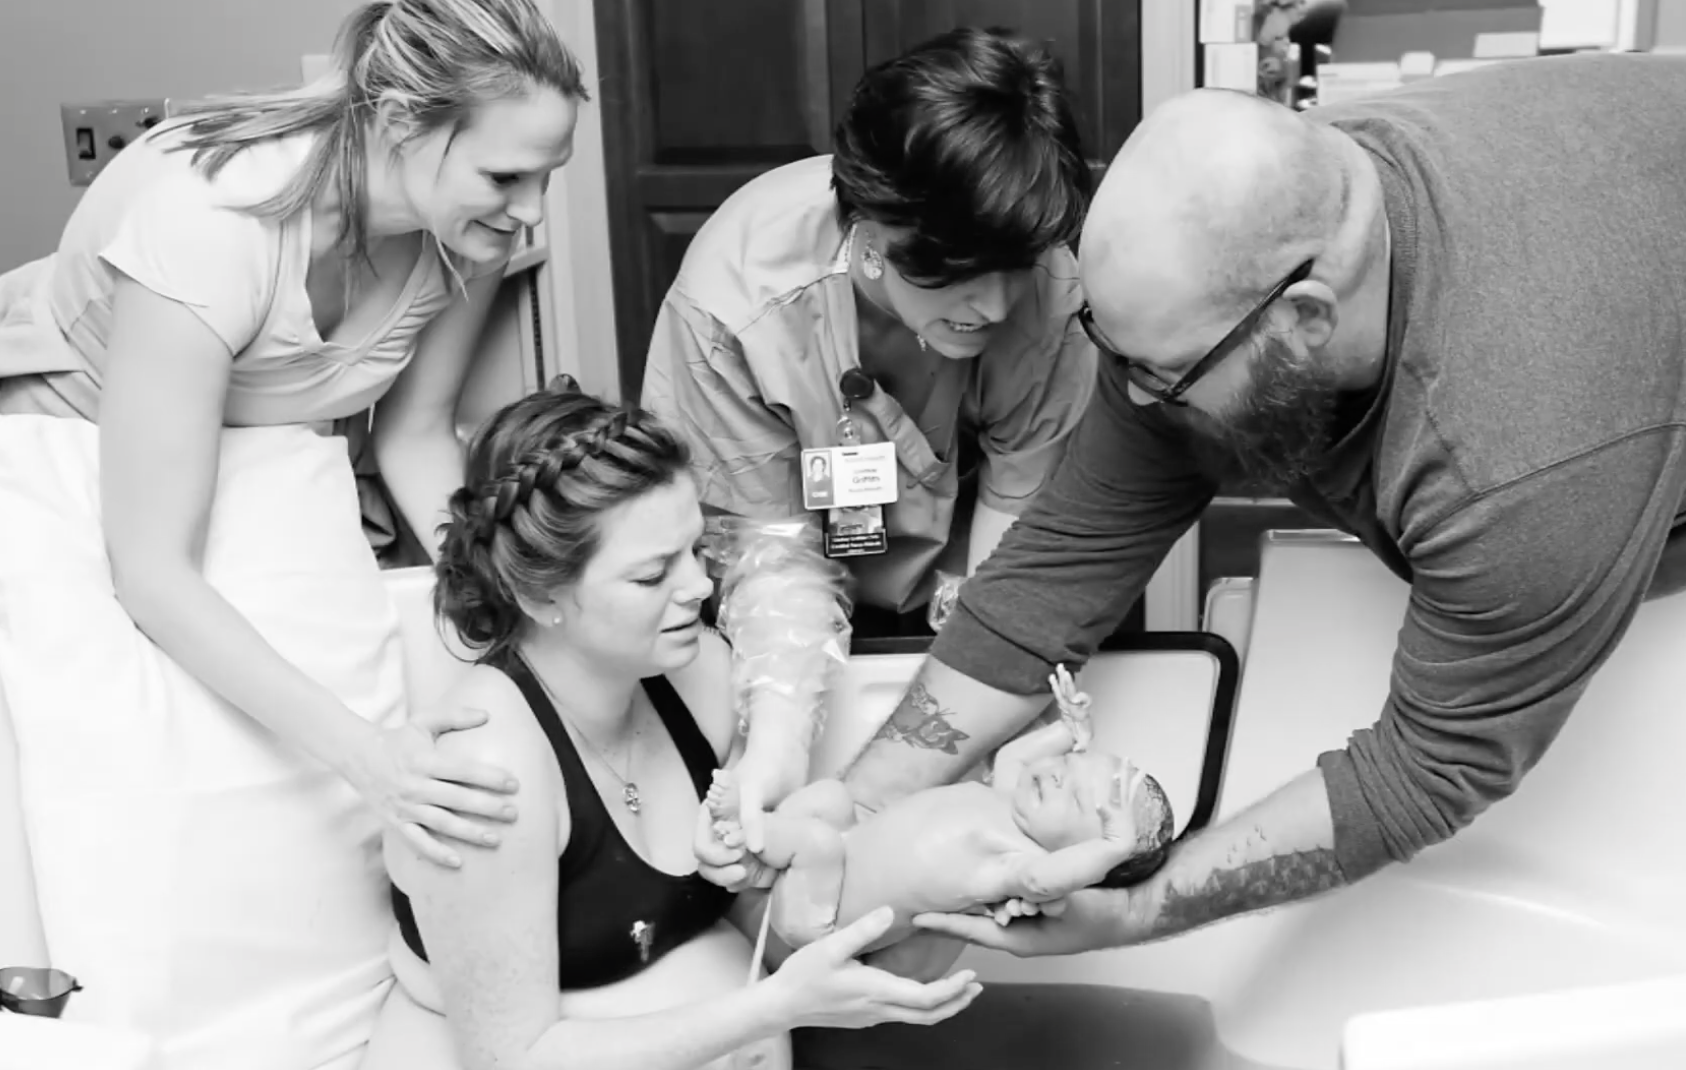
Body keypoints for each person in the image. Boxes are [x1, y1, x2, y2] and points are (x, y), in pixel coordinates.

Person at [707, 53, 1686, 961]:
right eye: (1102, 347)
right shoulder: (1247, 229)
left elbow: (1429, 764)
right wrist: (857, 810)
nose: (1124, 398)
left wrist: (1138, 906)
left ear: (1300, 319)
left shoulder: (1524, 448)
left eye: (1156, 376)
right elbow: (1061, 562)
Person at [0, 0, 584, 1061]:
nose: (531, 211)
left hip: (274, 482)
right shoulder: (208, 222)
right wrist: (373, 759)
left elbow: (412, 438)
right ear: (401, 122)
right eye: (505, 177)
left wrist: (513, 609)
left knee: (320, 847)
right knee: (169, 841)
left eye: (546, 176)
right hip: (70, 484)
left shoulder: (467, 234)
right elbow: (151, 570)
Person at [365, 389, 982, 1070]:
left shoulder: (693, 675)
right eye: (652, 574)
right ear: (541, 595)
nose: (696, 586)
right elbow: (514, 1059)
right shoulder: (487, 773)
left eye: (695, 549)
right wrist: (775, 1008)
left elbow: (737, 898)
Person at [639, 26, 1099, 639]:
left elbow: (1017, 520)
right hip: (788, 600)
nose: (993, 306)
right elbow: (768, 567)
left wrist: (979, 655)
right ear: (870, 222)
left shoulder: (1047, 285)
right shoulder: (736, 308)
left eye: (1012, 269)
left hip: (975, 584)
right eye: (957, 271)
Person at [708, 666, 1174, 952]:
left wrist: (1115, 847)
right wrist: (1067, 732)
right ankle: (763, 867)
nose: (1055, 773)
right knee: (830, 799)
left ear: (1084, 858)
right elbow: (1012, 757)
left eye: (1070, 796)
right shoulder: (1010, 801)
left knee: (818, 841)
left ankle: (744, 829)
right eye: (1070, 766)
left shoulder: (1019, 864)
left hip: (823, 922)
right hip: (835, 861)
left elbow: (1044, 881)